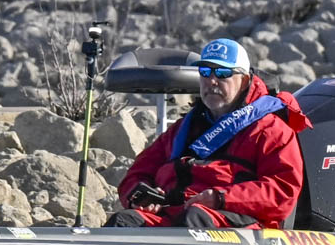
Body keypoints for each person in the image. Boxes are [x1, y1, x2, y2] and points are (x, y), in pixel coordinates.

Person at [106, 38, 311, 229]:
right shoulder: (183, 128)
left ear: (244, 80)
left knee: (194, 220)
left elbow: (282, 191)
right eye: (205, 72)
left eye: (222, 73)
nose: (212, 81)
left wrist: (221, 198)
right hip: (177, 215)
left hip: (236, 221)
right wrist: (140, 195)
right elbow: (137, 173)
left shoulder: (271, 130)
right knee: (123, 222)